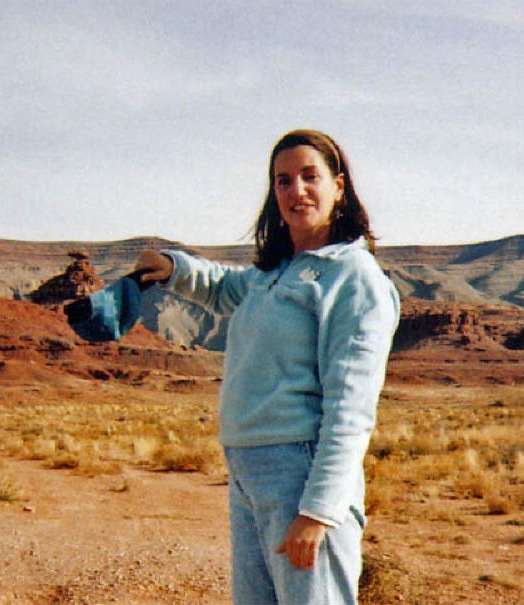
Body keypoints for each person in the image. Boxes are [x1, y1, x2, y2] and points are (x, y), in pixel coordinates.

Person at [135, 129, 400, 605]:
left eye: (309, 176)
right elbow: (223, 288)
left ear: (339, 186)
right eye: (282, 181)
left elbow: (351, 406)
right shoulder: (275, 273)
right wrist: (173, 268)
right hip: (247, 469)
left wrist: (318, 511)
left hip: (299, 472)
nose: (295, 191)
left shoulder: (352, 277)